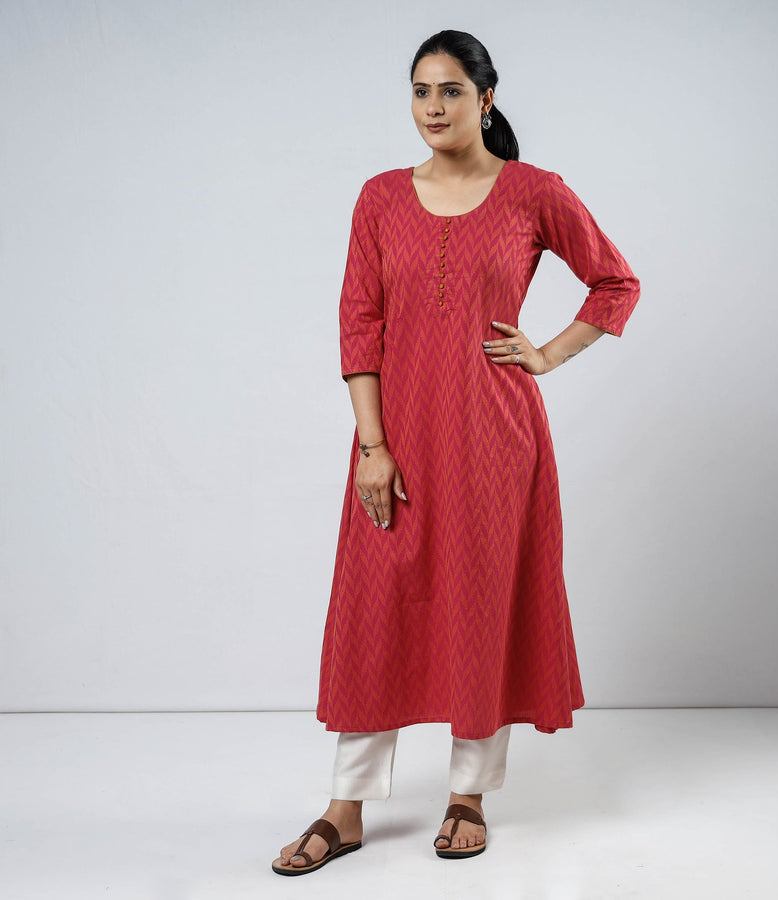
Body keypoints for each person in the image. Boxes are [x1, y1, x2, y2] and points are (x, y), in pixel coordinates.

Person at [272, 29, 640, 876]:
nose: (432, 108)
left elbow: (615, 281)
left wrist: (546, 354)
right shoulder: (378, 198)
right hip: (398, 437)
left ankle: (468, 794)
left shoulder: (533, 192)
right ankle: (345, 807)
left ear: (486, 98)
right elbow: (359, 322)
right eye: (420, 91)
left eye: (449, 91)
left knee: (481, 604)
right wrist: (372, 446)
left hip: (493, 441)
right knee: (374, 609)